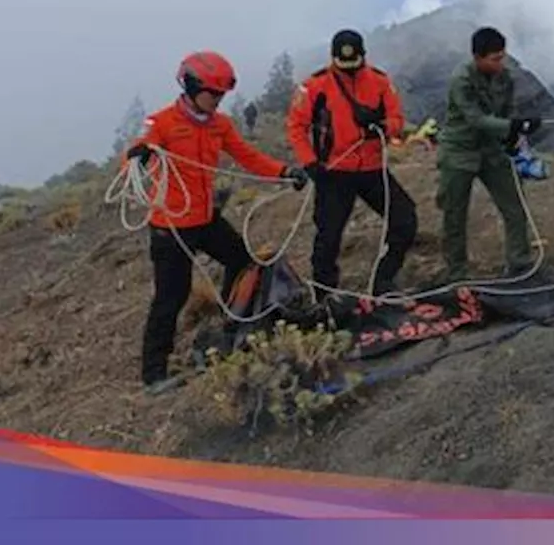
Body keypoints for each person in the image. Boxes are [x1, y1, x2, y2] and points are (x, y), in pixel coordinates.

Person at [122, 51, 307, 395]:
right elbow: (133, 159)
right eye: (213, 93)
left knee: (241, 262)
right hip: (171, 226)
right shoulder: (161, 123)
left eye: (222, 95)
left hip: (206, 220)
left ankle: (232, 325)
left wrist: (284, 172)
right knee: (171, 296)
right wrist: (139, 156)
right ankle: (154, 375)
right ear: (191, 87)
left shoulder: (220, 125)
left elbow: (246, 155)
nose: (218, 100)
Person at [286, 29, 418, 298]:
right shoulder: (315, 85)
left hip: (372, 169)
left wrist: (383, 127)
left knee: (404, 218)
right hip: (333, 172)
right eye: (342, 64)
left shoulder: (380, 81)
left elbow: (397, 119)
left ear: (363, 56)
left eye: (354, 64)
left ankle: (384, 281)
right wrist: (310, 163)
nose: (348, 70)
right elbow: (296, 127)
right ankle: (324, 294)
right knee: (328, 237)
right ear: (333, 58)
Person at [435, 27, 541, 282]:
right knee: (454, 214)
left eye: (502, 56)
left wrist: (518, 133)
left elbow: (508, 111)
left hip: (492, 150)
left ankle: (519, 263)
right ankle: (457, 273)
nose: (499, 63)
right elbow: (475, 119)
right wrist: (510, 127)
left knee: (515, 206)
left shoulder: (505, 78)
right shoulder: (461, 79)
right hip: (459, 151)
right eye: (494, 58)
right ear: (478, 57)